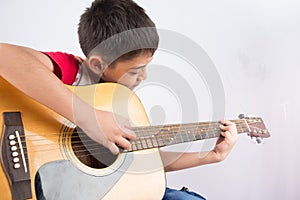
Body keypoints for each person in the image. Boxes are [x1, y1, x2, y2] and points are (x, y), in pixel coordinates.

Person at [0, 0, 238, 199]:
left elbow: (136, 167)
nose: (143, 77)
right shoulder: (74, 73)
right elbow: (5, 56)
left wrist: (209, 156)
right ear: (98, 64)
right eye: (135, 71)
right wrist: (89, 119)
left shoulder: (122, 103)